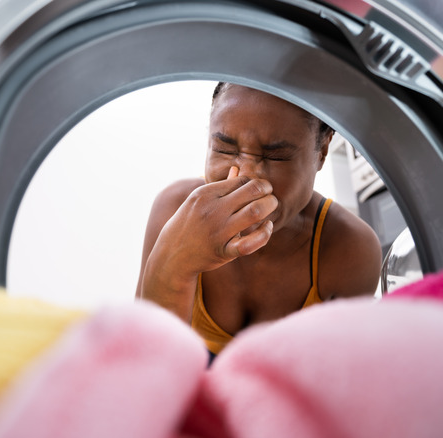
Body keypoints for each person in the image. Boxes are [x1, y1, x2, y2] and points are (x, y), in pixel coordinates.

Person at [136, 82, 382, 358]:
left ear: (322, 151)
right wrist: (175, 264)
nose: (247, 177)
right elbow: (143, 369)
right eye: (225, 149)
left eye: (275, 156)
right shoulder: (175, 210)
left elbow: (334, 387)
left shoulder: (349, 249)